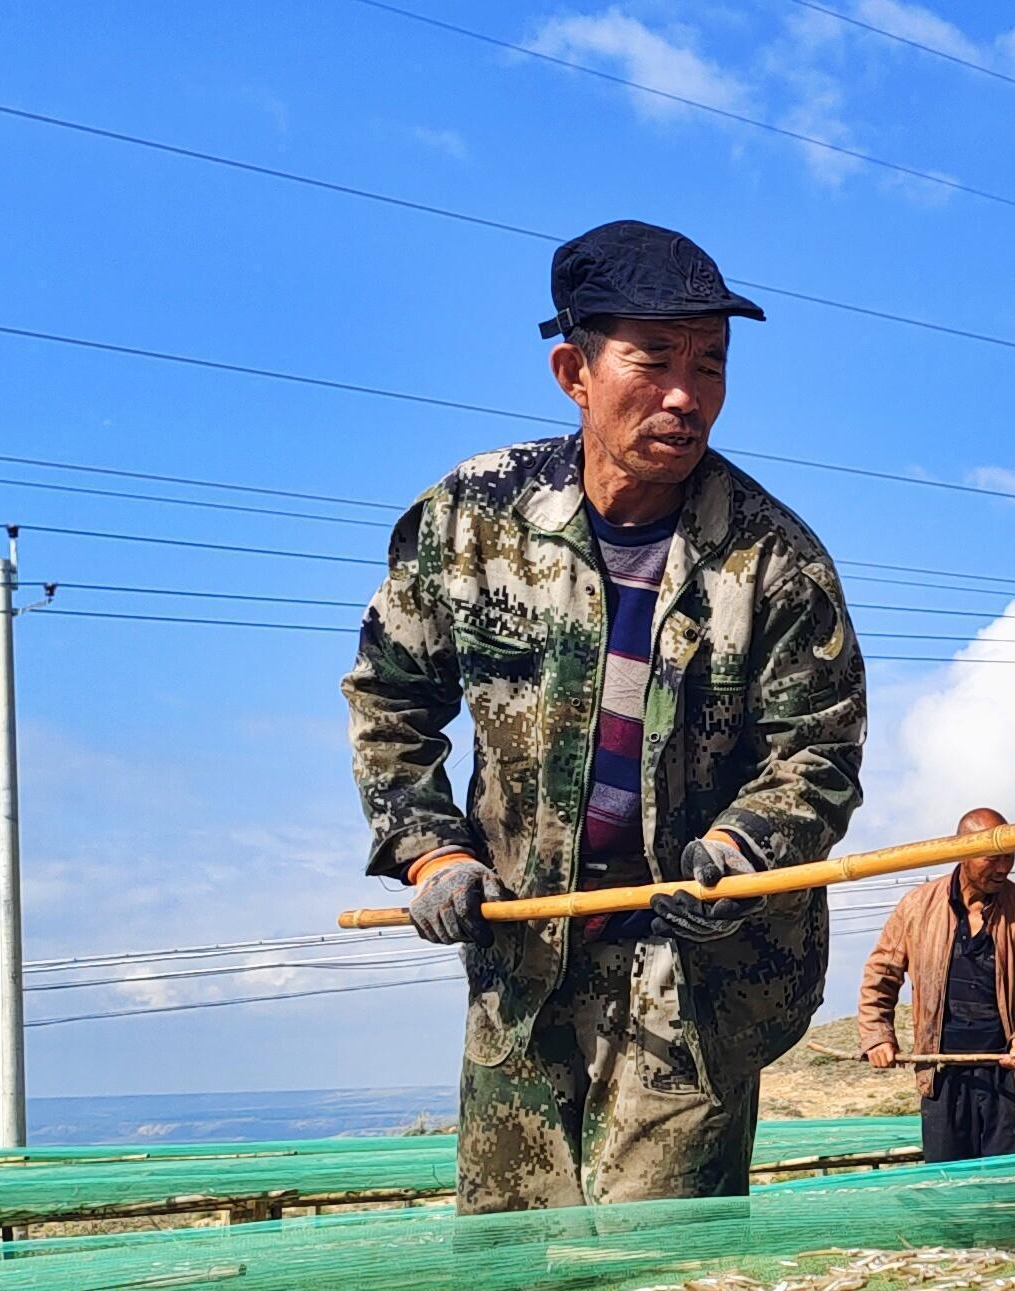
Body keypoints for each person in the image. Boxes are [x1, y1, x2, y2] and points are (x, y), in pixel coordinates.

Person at [344, 220, 866, 1215]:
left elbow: (819, 750)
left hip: (696, 969)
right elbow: (391, 697)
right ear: (573, 371)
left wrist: (740, 846)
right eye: (653, 359)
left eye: (710, 364)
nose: (686, 393)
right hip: (523, 953)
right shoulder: (472, 519)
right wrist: (429, 853)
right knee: (513, 1268)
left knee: (664, 1278)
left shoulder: (776, 561)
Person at [855, 810, 1015, 1162]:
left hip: (1011, 1080)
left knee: (1011, 1195)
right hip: (941, 1077)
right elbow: (881, 974)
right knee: (949, 1192)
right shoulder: (917, 908)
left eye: (1010, 856)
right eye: (993, 858)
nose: (1003, 868)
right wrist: (877, 1034)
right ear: (962, 853)